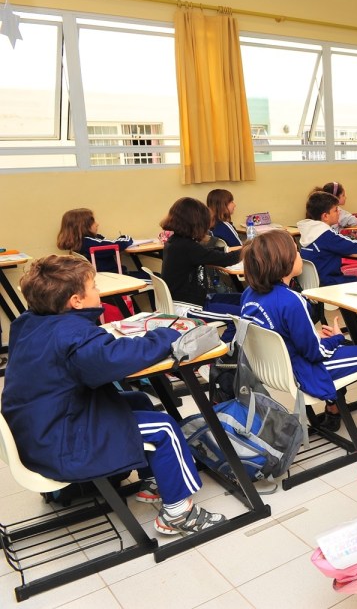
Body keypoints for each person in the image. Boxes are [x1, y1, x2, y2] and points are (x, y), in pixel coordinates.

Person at [1, 255, 225, 535]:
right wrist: (166, 336)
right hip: (62, 443)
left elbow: (94, 360)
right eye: (93, 286)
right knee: (165, 429)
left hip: (39, 429)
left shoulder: (29, 323)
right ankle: (178, 515)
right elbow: (115, 362)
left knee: (139, 401)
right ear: (76, 301)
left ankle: (153, 479)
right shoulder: (73, 335)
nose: (98, 291)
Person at [240, 230, 357, 433]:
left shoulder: (249, 294)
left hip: (275, 368)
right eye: (297, 251)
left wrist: (320, 338)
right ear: (284, 261)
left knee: (342, 347)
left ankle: (333, 409)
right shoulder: (292, 301)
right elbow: (316, 353)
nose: (301, 256)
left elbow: (285, 336)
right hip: (304, 371)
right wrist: (336, 338)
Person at [160, 197, 242, 323]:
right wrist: (248, 250)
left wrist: (239, 249)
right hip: (188, 308)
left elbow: (208, 253)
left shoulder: (176, 242)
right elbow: (226, 260)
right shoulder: (186, 246)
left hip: (196, 299)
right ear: (196, 223)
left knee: (243, 299)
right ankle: (224, 343)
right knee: (243, 317)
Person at [297, 191, 357, 287]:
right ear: (325, 216)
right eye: (335, 210)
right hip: (330, 284)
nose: (339, 212)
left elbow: (343, 242)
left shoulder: (308, 233)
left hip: (316, 284)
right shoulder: (326, 235)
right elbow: (355, 246)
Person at [56, 208, 133, 274]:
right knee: (145, 277)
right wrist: (125, 237)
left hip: (109, 276)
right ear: (84, 226)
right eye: (93, 222)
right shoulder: (90, 243)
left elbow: (106, 242)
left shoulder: (79, 242)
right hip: (115, 278)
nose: (97, 224)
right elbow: (119, 245)